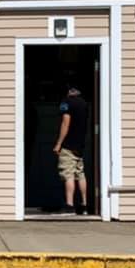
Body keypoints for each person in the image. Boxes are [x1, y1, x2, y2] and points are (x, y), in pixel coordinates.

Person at [53, 86, 88, 214]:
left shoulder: (66, 103)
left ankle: (69, 205)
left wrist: (59, 143)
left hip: (68, 145)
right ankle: (84, 204)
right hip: (80, 145)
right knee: (80, 174)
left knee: (68, 174)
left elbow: (65, 123)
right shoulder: (84, 103)